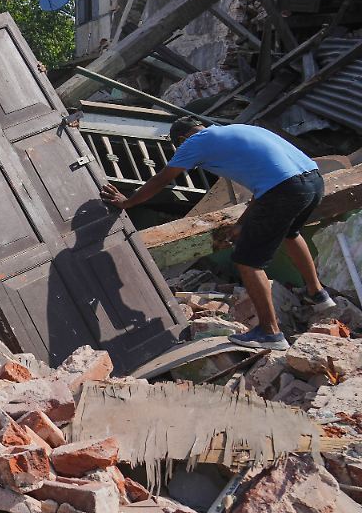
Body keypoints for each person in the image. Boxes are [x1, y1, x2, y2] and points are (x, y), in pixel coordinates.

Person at [100, 118, 336, 350]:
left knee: (248, 261)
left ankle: (270, 333)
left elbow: (162, 179)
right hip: (313, 181)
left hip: (284, 190)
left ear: (182, 139)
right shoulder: (237, 131)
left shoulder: (195, 142)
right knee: (290, 232)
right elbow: (264, 185)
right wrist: (242, 223)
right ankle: (318, 295)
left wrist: (128, 202)